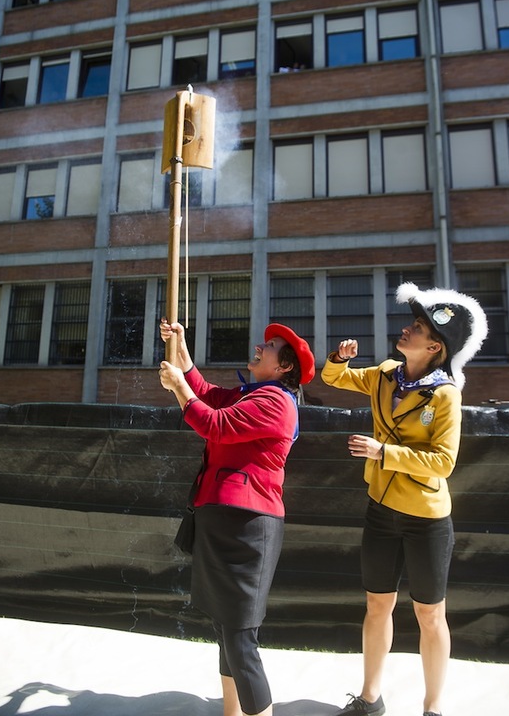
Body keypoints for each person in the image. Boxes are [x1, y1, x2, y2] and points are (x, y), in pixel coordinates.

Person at [321, 282, 488, 716]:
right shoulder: (384, 374)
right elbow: (332, 377)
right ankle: (370, 699)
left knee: (430, 615)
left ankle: (432, 708)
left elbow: (443, 463)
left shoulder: (447, 394)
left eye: (417, 328)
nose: (406, 330)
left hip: (427, 520)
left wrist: (384, 453)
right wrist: (340, 358)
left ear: (434, 346)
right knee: (377, 606)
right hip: (381, 510)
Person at [158, 319, 315, 716]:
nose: (261, 347)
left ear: (283, 368)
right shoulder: (253, 394)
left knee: (240, 638)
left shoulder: (277, 402)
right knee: (224, 629)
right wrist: (181, 350)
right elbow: (208, 394)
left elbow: (215, 424)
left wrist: (178, 386)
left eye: (272, 346)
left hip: (248, 525)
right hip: (224, 516)